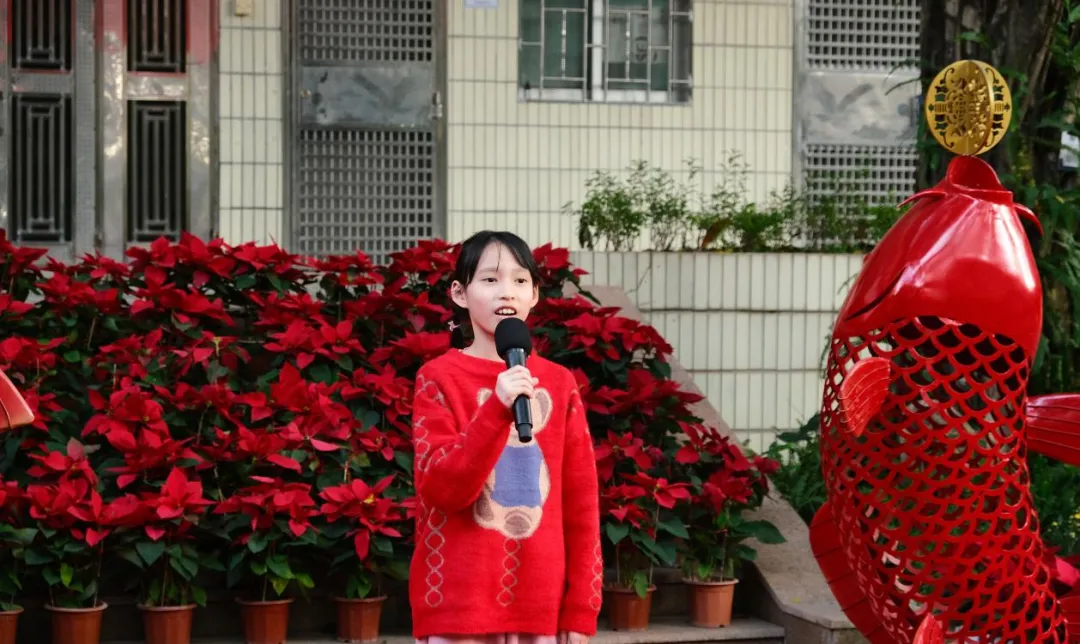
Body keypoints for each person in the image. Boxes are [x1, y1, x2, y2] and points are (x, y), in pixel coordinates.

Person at [409, 231, 601, 644]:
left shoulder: (558, 383)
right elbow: (442, 489)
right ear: (460, 293)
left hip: (540, 606)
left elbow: (582, 502)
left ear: (534, 294)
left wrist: (582, 606)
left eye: (519, 280)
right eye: (490, 279)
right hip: (458, 606)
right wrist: (497, 408)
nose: (506, 292)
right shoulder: (437, 378)